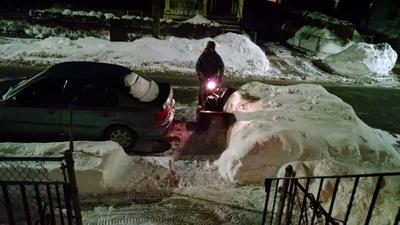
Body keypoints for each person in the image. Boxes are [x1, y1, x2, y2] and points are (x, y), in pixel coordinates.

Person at [195, 40, 224, 108]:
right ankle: (201, 103)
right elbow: (197, 66)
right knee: (202, 89)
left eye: (212, 48)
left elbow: (221, 65)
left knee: (218, 89)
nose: (211, 49)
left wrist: (220, 75)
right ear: (208, 47)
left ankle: (219, 103)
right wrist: (200, 74)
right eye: (210, 47)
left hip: (214, 77)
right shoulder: (203, 56)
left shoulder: (217, 57)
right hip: (204, 77)